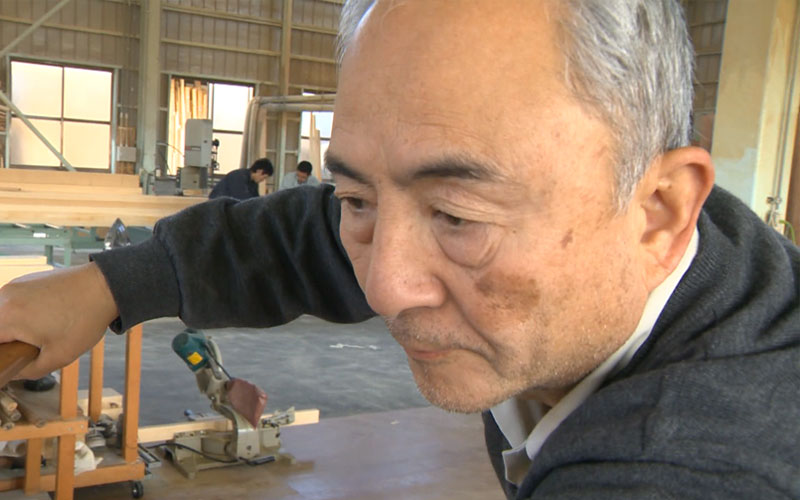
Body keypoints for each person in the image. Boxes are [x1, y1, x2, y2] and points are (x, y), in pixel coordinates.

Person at [0, 1, 797, 498]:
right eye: (361, 199)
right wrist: (110, 285)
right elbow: (308, 234)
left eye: (457, 216)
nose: (384, 288)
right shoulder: (664, 246)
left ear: (660, 209)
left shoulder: (695, 465)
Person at [208, 158, 273, 200]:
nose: (263, 180)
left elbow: (255, 200)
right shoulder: (239, 177)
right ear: (259, 171)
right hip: (217, 207)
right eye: (264, 177)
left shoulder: (253, 183)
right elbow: (243, 199)